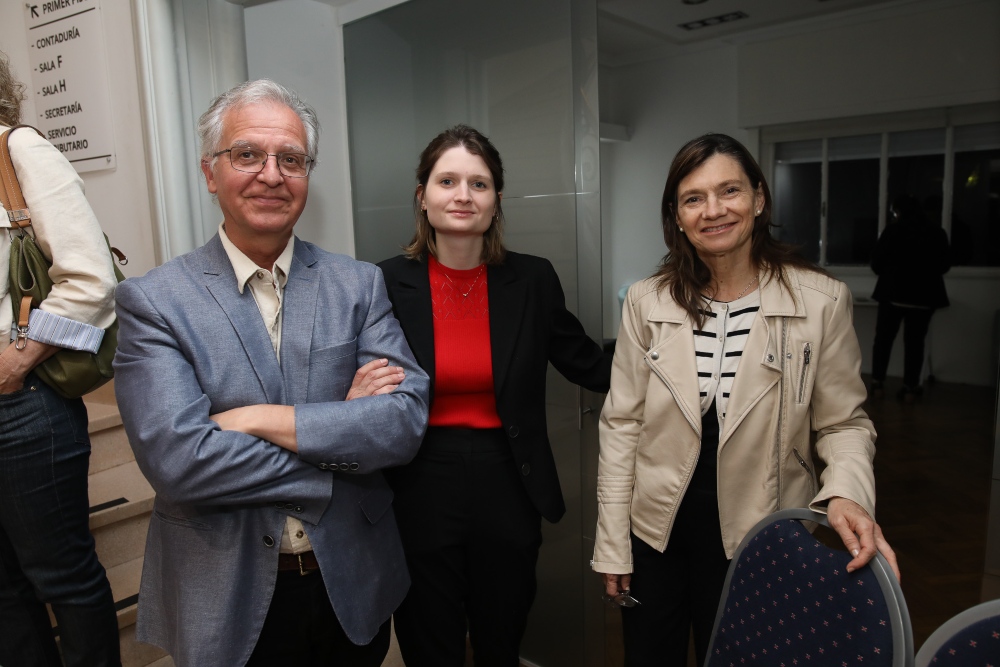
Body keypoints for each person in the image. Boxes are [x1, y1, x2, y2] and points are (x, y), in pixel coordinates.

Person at [112, 79, 430, 667]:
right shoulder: (154, 301)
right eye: (247, 154)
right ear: (210, 173)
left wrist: (256, 419)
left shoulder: (358, 284)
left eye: (291, 159)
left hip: (351, 581)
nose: (271, 175)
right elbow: (180, 464)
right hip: (223, 591)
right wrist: (340, 435)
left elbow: (401, 425)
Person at [591, 133, 899, 667]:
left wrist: (848, 494)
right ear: (677, 216)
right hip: (655, 536)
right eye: (693, 198)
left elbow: (843, 423)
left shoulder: (820, 302)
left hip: (761, 534)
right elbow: (621, 427)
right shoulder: (646, 301)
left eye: (729, 191)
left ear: (758, 199)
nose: (713, 210)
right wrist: (613, 542)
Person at [378, 125, 611, 666]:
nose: (463, 195)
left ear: (496, 199)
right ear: (423, 196)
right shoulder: (383, 282)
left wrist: (672, 364)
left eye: (478, 184)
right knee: (429, 642)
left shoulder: (532, 279)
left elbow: (586, 362)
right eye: (448, 181)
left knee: (500, 640)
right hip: (418, 482)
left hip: (508, 480)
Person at [0, 51, 121, 667]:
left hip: (23, 405)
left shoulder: (18, 151)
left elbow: (91, 281)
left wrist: (15, 360)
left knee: (63, 578)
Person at [870, 194, 950, 403]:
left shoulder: (893, 231)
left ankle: (877, 383)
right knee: (915, 343)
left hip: (893, 294)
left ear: (898, 211)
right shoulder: (937, 232)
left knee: (884, 340)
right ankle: (909, 388)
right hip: (924, 298)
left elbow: (876, 264)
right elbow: (944, 265)